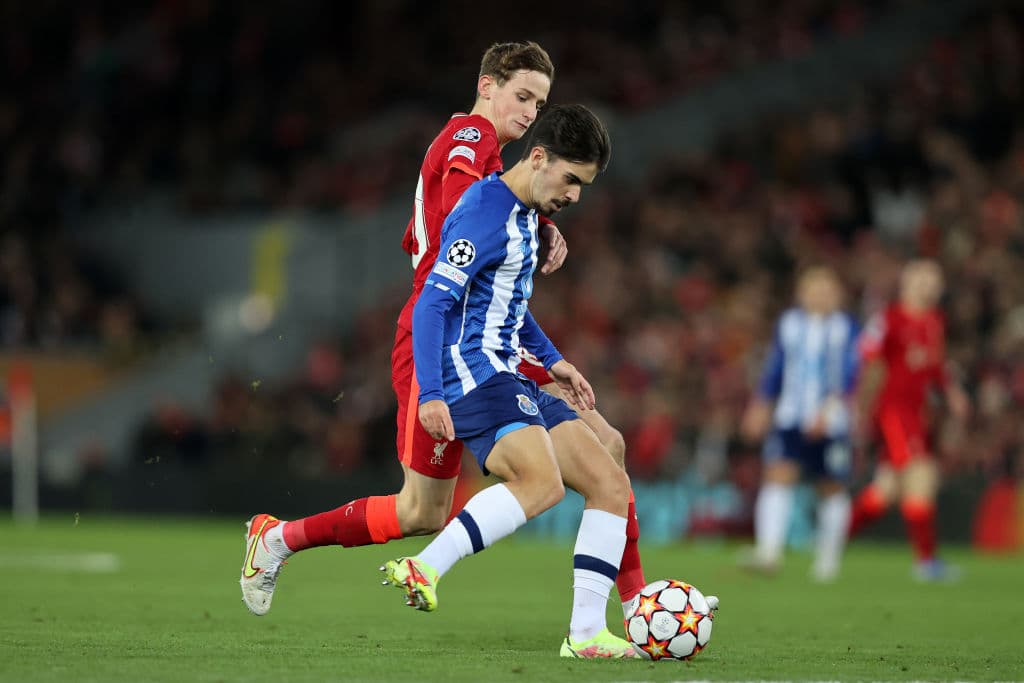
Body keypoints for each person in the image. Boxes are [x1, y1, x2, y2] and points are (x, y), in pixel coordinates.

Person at [241, 42, 647, 621]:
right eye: (522, 96)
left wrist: (535, 231)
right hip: (444, 337)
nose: (530, 111)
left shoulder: (499, 168)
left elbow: (488, 265)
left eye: (539, 104)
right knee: (423, 511)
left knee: (604, 447)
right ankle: (281, 538)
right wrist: (532, 222)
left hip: (484, 334)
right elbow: (466, 221)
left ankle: (635, 606)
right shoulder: (471, 141)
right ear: (487, 86)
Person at [380, 103, 642, 659]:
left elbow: (509, 307)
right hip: (473, 371)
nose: (575, 196)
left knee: (609, 482)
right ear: (538, 157)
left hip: (509, 370)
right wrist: (431, 394)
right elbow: (432, 304)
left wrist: (553, 361)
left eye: (583, 185)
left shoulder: (525, 215)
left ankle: (587, 635)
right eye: (571, 179)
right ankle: (425, 566)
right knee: (542, 483)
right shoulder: (484, 212)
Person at [848, 259, 970, 581]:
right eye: (921, 278)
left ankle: (833, 537)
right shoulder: (888, 318)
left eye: (934, 279)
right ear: (906, 282)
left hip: (918, 413)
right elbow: (870, 364)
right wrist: (861, 407)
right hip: (893, 411)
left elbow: (935, 365)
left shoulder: (935, 320)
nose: (928, 284)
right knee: (922, 473)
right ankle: (926, 561)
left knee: (885, 491)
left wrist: (952, 393)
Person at [740, 266, 860, 582]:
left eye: (827, 290)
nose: (820, 296)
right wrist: (760, 405)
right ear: (802, 294)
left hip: (832, 422)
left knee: (831, 486)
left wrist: (829, 411)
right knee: (778, 475)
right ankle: (769, 552)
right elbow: (776, 368)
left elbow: (850, 373)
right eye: (813, 289)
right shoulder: (789, 324)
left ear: (837, 295)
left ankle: (828, 561)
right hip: (791, 416)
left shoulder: (846, 327)